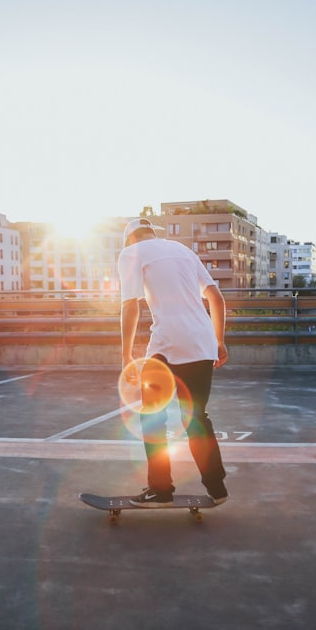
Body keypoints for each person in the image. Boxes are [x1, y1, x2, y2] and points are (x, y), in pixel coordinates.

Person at [118, 217, 229, 507]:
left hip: (168, 343)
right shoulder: (183, 251)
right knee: (196, 418)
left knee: (153, 415)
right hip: (203, 342)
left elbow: (130, 306)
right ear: (154, 234)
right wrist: (218, 340)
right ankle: (217, 489)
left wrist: (126, 355)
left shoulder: (131, 253)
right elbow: (216, 297)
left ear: (130, 239)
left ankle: (161, 490)